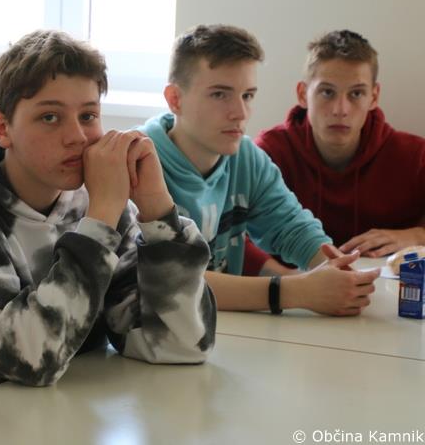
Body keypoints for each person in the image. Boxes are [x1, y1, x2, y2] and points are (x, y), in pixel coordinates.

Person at [0, 29, 216, 389]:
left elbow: (179, 344)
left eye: (88, 116)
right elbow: (30, 360)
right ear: (3, 128)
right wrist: (100, 222)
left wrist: (157, 210)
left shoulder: (97, 203)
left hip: (60, 411)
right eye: (50, 117)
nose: (77, 136)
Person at [140, 24, 379, 316]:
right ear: (175, 99)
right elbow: (166, 281)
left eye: (248, 96)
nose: (240, 113)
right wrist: (295, 291)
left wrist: (337, 270)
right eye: (220, 94)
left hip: (216, 330)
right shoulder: (136, 161)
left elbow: (292, 228)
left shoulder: (247, 157)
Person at [243, 30, 425, 276]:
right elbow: (233, 238)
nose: (340, 109)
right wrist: (293, 283)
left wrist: (417, 236)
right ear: (303, 94)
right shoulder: (268, 153)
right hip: (291, 293)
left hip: (385, 293)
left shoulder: (414, 156)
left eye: (356, 93)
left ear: (374, 97)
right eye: (327, 92)